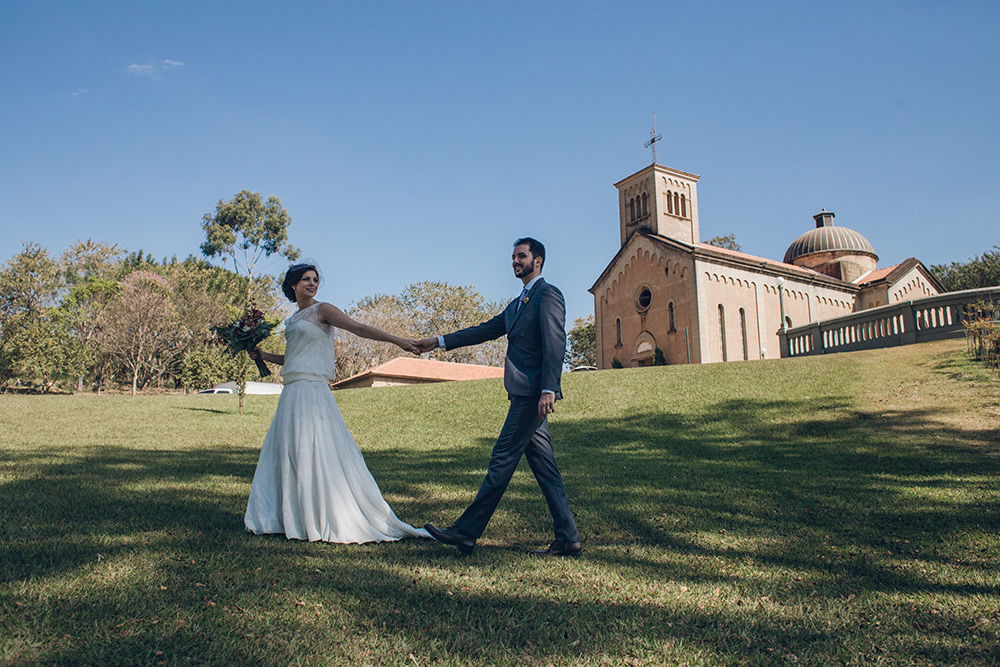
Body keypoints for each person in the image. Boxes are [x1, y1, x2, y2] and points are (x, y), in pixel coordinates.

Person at [416, 238, 582, 557]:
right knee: (544, 468)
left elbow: (555, 340)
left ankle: (466, 531)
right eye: (513, 257)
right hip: (523, 391)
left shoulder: (548, 294)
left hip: (532, 394)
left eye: (521, 256)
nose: (515, 261)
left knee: (502, 459)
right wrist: (435, 342)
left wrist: (550, 388)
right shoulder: (518, 303)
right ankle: (568, 538)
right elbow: (484, 330)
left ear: (538, 261)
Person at [245, 262, 430, 543]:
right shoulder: (292, 321)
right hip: (292, 390)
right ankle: (288, 516)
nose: (312, 283)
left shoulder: (323, 310)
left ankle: (325, 513)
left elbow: (358, 327)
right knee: (289, 451)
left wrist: (399, 341)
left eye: (315, 279)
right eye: (305, 279)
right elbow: (293, 356)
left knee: (315, 448)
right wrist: (264, 355)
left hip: (313, 391)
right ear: (293, 286)